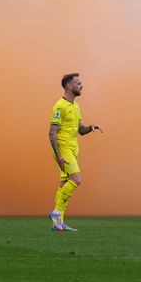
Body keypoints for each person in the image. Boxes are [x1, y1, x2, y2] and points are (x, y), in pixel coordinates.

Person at [47, 73, 103, 231]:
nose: (82, 86)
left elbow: (81, 130)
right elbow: (52, 132)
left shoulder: (76, 106)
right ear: (69, 86)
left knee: (64, 184)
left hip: (73, 149)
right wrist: (59, 156)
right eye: (79, 84)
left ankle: (58, 223)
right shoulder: (59, 106)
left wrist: (91, 127)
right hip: (63, 149)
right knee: (76, 179)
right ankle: (56, 213)